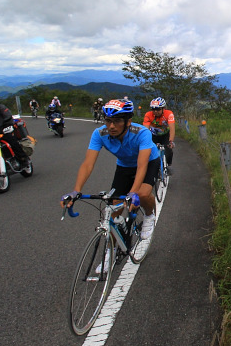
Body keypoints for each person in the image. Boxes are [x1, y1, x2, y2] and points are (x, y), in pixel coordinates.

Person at [62, 98, 159, 245]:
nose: (111, 126)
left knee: (142, 193)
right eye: (108, 121)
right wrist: (76, 191)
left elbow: (141, 165)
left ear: (128, 121)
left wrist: (132, 192)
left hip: (149, 162)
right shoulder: (99, 134)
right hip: (124, 166)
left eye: (117, 121)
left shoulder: (141, 133)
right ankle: (111, 252)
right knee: (114, 207)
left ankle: (149, 216)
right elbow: (88, 164)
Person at [142, 97, 175, 175]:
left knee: (168, 150)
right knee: (148, 151)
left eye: (158, 109)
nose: (155, 111)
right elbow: (146, 130)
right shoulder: (148, 115)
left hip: (165, 135)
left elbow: (172, 128)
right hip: (153, 135)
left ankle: (168, 165)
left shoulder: (169, 113)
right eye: (153, 109)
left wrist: (171, 141)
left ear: (163, 108)